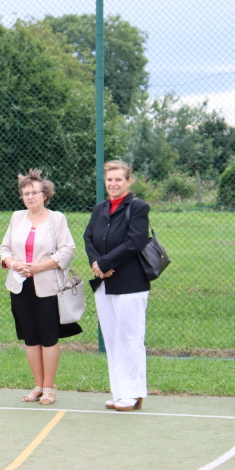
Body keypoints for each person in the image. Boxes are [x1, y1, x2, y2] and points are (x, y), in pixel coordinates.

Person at [0, 169, 82, 405]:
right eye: (26, 193)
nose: (30, 197)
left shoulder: (57, 219)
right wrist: (14, 264)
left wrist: (39, 267)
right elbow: (4, 249)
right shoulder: (16, 217)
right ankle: (37, 386)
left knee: (48, 336)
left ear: (45, 194)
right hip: (20, 286)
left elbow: (67, 250)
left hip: (48, 286)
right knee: (30, 337)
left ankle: (49, 388)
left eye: (35, 192)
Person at [84, 160, 151, 412]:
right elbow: (88, 238)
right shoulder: (99, 208)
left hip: (131, 284)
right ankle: (120, 392)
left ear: (128, 181)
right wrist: (97, 264)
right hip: (104, 283)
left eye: (118, 179)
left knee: (130, 339)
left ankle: (134, 394)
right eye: (109, 179)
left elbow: (135, 242)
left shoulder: (138, 207)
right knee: (112, 340)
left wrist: (106, 262)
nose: (113, 184)